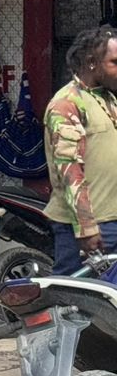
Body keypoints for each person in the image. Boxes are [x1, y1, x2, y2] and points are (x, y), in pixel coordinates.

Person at [46, 26, 117, 275]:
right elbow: (69, 170)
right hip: (88, 226)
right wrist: (85, 227)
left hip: (112, 219)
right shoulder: (67, 102)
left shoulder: (109, 98)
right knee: (74, 303)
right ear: (91, 63)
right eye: (114, 62)